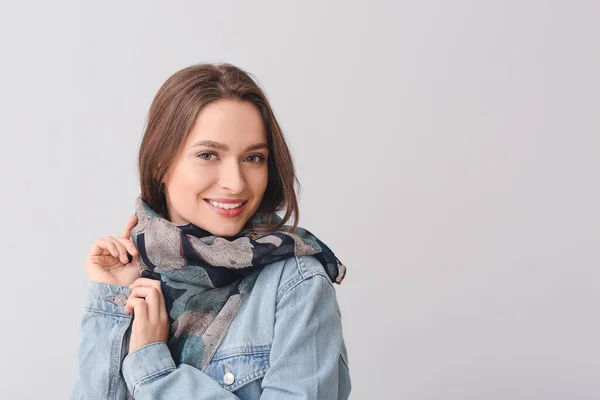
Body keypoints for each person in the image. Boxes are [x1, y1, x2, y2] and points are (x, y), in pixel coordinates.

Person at [70, 63, 351, 399]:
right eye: (208, 154)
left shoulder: (295, 283)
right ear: (161, 163)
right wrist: (109, 298)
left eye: (253, 158)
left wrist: (153, 371)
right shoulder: (133, 271)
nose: (235, 183)